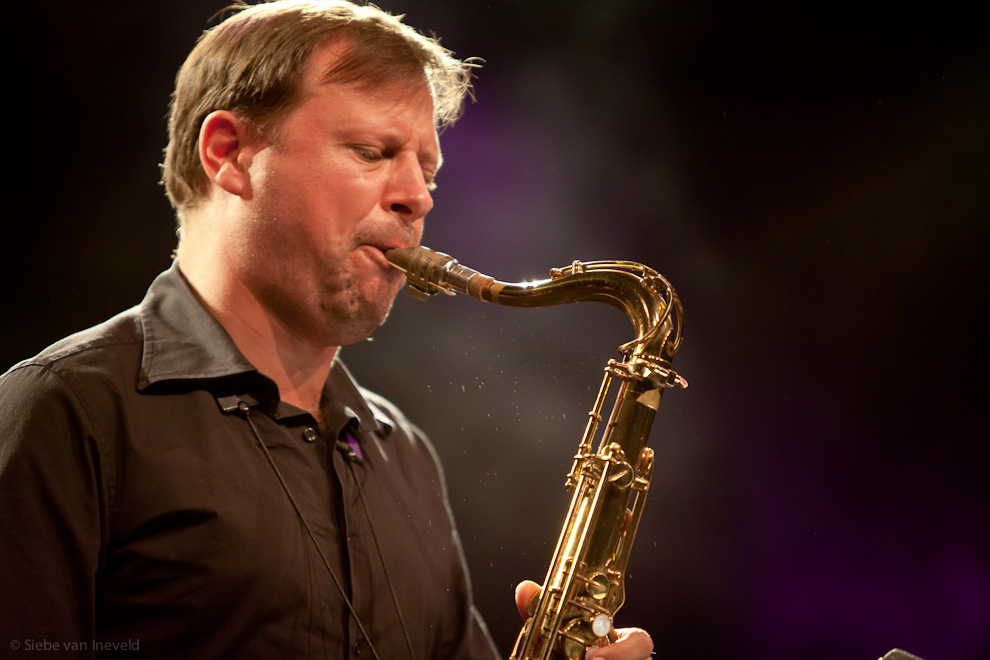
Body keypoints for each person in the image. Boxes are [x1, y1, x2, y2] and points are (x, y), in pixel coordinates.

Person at [0, 2, 654, 659]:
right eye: (373, 152)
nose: (418, 197)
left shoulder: (405, 457)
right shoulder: (64, 413)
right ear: (228, 153)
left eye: (427, 172)